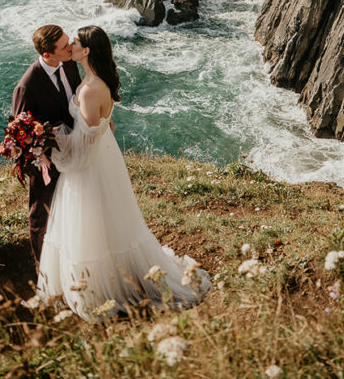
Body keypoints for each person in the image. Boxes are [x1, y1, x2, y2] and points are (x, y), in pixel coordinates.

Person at [38, 24, 211, 320]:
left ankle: (103, 287)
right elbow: (98, 126)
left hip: (92, 164)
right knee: (106, 218)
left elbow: (86, 141)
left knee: (92, 219)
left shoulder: (92, 89)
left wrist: (52, 143)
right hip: (105, 155)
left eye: (75, 42)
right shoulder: (94, 79)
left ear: (87, 50)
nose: (71, 46)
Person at [12, 24, 80, 272]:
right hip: (46, 160)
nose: (71, 46)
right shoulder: (27, 86)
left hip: (74, 149)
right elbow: (21, 133)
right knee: (41, 211)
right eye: (64, 45)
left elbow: (77, 100)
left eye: (68, 40)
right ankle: (43, 268)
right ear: (48, 55)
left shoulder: (70, 63)